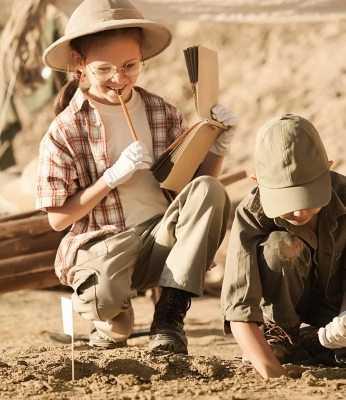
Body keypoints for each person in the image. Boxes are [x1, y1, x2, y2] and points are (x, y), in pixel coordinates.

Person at [35, 0, 238, 354]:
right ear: (79, 64)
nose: (119, 78)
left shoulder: (161, 111)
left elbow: (194, 190)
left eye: (130, 65)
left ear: (143, 55)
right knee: (106, 304)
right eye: (104, 69)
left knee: (212, 190)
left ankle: (169, 318)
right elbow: (57, 219)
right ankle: (111, 321)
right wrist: (110, 177)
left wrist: (219, 145)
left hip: (162, 240)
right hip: (105, 245)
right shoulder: (64, 131)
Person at [221, 114, 346, 378]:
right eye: (286, 201)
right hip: (283, 308)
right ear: (258, 182)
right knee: (280, 246)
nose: (299, 211)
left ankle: (312, 341)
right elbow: (239, 307)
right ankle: (282, 336)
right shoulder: (251, 213)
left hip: (342, 302)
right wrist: (273, 375)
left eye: (308, 197)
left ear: (327, 170)